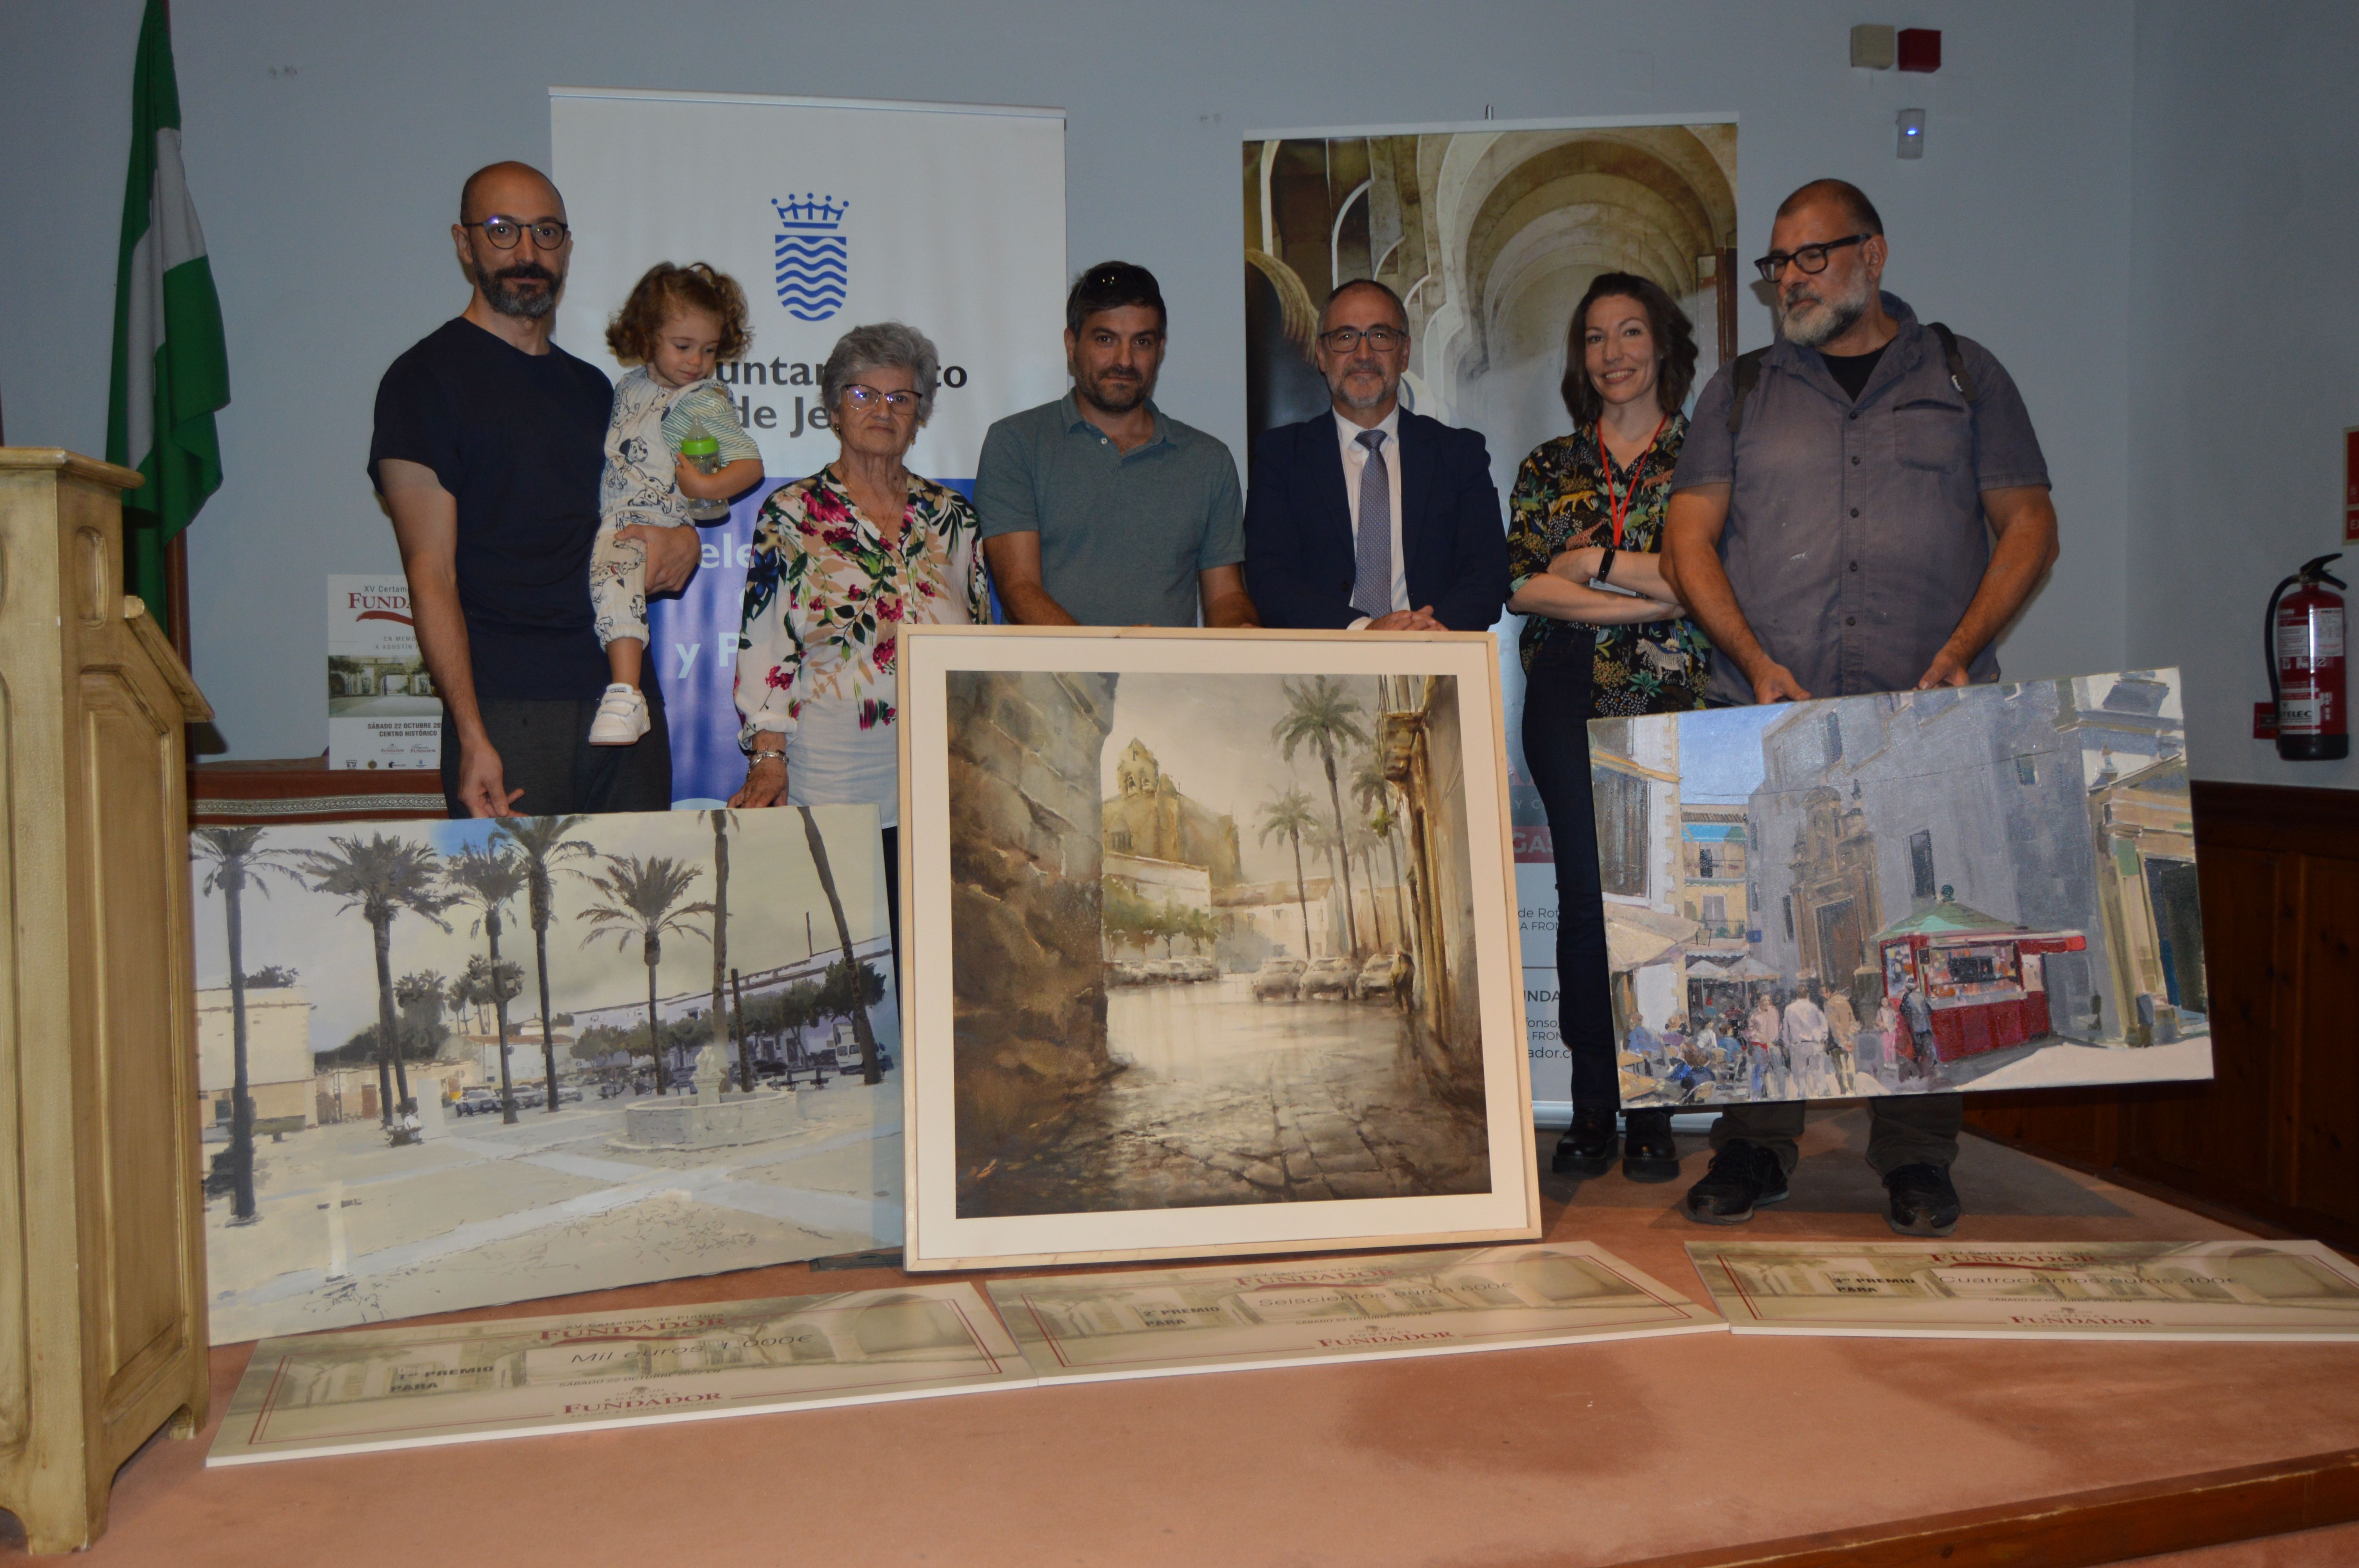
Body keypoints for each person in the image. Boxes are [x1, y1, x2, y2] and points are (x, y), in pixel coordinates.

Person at [1663, 178, 2058, 1236]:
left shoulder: (1966, 377)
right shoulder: (1741, 392)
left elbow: (2029, 524)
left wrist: (1963, 648)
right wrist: (1750, 660)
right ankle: (1753, 1145)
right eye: (1777, 263)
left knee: (1922, 937)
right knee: (1764, 941)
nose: (1789, 279)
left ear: (1873, 255)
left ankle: (1918, 1155)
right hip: (1771, 721)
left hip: (1922, 723)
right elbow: (1688, 539)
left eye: (1812, 257)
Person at [371, 161, 697, 817]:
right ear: (465, 244)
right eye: (503, 230)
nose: (527, 252)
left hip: (623, 699)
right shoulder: (421, 381)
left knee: (643, 887)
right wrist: (471, 735)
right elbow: (430, 573)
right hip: (507, 709)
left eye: (546, 232)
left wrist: (683, 537)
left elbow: (640, 509)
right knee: (516, 890)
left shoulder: (594, 389)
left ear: (566, 248)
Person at [1505, 273, 1709, 1185]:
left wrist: (1591, 561)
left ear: (1661, 344)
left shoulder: (1705, 460)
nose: (1612, 353)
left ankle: (1652, 1103)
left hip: (1672, 698)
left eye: (1630, 332)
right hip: (1565, 693)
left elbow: (1711, 577)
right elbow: (1523, 587)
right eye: (1594, 337)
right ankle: (1592, 1105)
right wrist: (1650, 591)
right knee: (1587, 900)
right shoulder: (1548, 466)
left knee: (1650, 904)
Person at [731, 322, 988, 972]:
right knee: (848, 962)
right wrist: (768, 756)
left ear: (920, 416)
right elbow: (767, 642)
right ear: (834, 408)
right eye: (864, 394)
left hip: (937, 780)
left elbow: (978, 640)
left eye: (901, 398)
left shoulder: (954, 517)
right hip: (832, 776)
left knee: (929, 961)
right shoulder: (791, 514)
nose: (883, 410)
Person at [976, 262, 1258, 628]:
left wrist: (1243, 633)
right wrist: (1109, 657)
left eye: (1142, 342)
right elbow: (1020, 589)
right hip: (1050, 668)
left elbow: (1226, 596)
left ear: (1160, 349)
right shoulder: (1016, 443)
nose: (1125, 361)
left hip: (1167, 669)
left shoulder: (1209, 461)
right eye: (1106, 340)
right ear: (1072, 344)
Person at [1241, 279, 1509, 632]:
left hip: (1435, 652)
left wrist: (1427, 634)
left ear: (1405, 353)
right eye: (1345, 337)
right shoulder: (1281, 457)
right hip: (1324, 657)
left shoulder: (1459, 455)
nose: (1364, 354)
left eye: (1380, 336)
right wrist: (1364, 632)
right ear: (1321, 354)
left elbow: (1488, 573)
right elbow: (1270, 579)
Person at [587, 263, 765, 745]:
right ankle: (626, 693)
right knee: (611, 586)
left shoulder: (700, 399)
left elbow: (750, 465)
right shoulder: (629, 386)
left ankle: (626, 694)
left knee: (614, 582)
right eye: (683, 346)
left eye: (709, 350)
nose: (697, 362)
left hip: (654, 518)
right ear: (646, 337)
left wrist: (705, 486)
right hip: (616, 515)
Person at [1781, 983, 1831, 1095]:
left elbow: (1785, 1029)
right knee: (1818, 1071)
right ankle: (1821, 1094)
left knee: (1800, 1073)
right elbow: (1824, 1024)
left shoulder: (1789, 1009)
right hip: (1815, 1043)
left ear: (1796, 995)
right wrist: (1823, 1039)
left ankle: (1803, 1095)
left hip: (1798, 1045)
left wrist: (1787, 1045)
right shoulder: (1814, 1007)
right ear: (1808, 994)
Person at [1826, 988, 1861, 1094]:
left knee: (1840, 1068)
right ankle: (1852, 1088)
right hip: (1848, 1037)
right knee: (1849, 1065)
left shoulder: (1831, 1004)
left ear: (1829, 992)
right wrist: (1850, 1037)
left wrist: (1841, 1040)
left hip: (1837, 1041)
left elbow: (1834, 1025)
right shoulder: (1846, 1002)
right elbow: (1852, 1021)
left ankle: (1844, 1091)